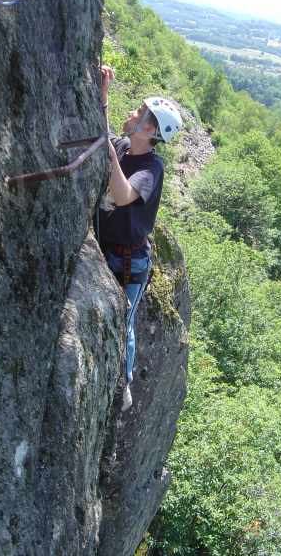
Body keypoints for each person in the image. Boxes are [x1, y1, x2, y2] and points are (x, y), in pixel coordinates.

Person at [96, 65, 183, 412]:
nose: (131, 113)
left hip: (128, 261)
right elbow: (105, 136)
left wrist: (110, 149)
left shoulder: (151, 166)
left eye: (139, 112)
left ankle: (125, 383)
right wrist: (103, 96)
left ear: (149, 129)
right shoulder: (123, 147)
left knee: (124, 322)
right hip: (110, 250)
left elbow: (122, 195)